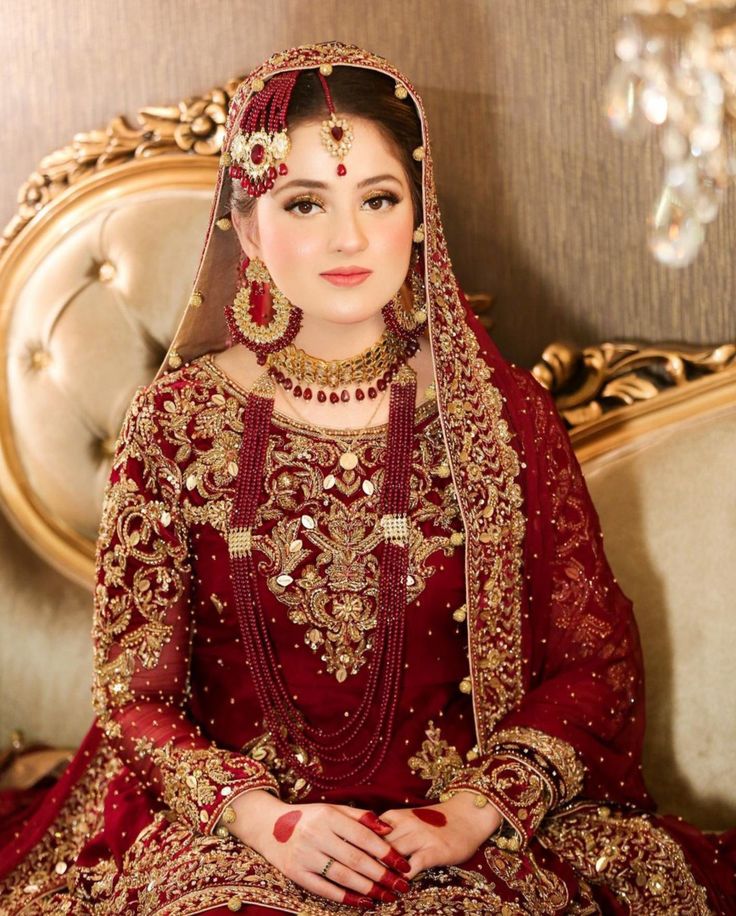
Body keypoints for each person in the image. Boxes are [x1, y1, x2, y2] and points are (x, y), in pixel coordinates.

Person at [0, 40, 734, 915]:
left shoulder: (498, 421)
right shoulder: (178, 425)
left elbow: (592, 666)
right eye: (305, 202)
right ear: (246, 225)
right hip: (243, 842)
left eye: (377, 198)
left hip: (453, 847)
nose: (348, 238)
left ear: (418, 215)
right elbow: (136, 697)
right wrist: (267, 821)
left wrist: (470, 813)